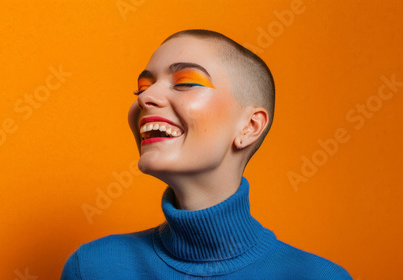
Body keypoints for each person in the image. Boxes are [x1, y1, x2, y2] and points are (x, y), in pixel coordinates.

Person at [60, 29, 352, 279]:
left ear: (250, 126)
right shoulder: (94, 268)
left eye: (185, 82)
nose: (146, 98)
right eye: (142, 88)